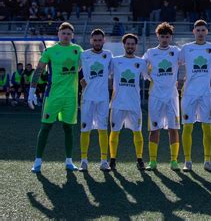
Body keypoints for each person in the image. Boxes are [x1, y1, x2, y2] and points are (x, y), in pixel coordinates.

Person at [29, 22, 84, 173]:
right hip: (52, 96)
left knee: (68, 129)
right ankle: (38, 161)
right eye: (63, 33)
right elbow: (39, 70)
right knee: (46, 127)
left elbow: (83, 68)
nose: (66, 36)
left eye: (68, 34)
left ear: (72, 35)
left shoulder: (77, 50)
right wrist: (31, 91)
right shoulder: (50, 51)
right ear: (58, 34)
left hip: (71, 98)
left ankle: (69, 161)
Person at [179, 20, 211, 172]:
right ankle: (187, 161)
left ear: (207, 32)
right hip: (189, 94)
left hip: (205, 94)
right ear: (194, 32)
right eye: (198, 30)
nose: (201, 33)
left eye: (203, 30)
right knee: (187, 127)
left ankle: (207, 161)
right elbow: (176, 63)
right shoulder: (186, 48)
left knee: (207, 127)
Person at [142, 22, 181, 171]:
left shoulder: (176, 51)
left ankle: (174, 161)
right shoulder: (151, 52)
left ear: (170, 37)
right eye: (162, 36)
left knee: (173, 128)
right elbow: (142, 67)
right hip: (155, 96)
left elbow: (185, 62)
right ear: (157, 36)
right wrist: (149, 78)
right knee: (154, 129)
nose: (164, 39)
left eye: (167, 36)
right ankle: (152, 161)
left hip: (171, 96)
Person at [109, 34, 150, 171]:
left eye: (133, 44)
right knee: (115, 132)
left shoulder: (141, 62)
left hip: (134, 105)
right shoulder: (115, 61)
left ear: (136, 46)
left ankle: (139, 159)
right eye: (128, 44)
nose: (130, 46)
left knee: (137, 132)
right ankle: (112, 160)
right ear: (124, 45)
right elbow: (103, 75)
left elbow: (150, 77)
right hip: (117, 104)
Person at [78, 29, 113, 172]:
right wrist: (80, 80)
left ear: (104, 41)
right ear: (91, 40)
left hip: (103, 99)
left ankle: (104, 161)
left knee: (102, 129)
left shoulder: (108, 55)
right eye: (95, 40)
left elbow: (112, 73)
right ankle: (84, 161)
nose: (97, 42)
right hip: (87, 98)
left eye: (100, 40)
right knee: (85, 129)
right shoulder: (83, 55)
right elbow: (74, 71)